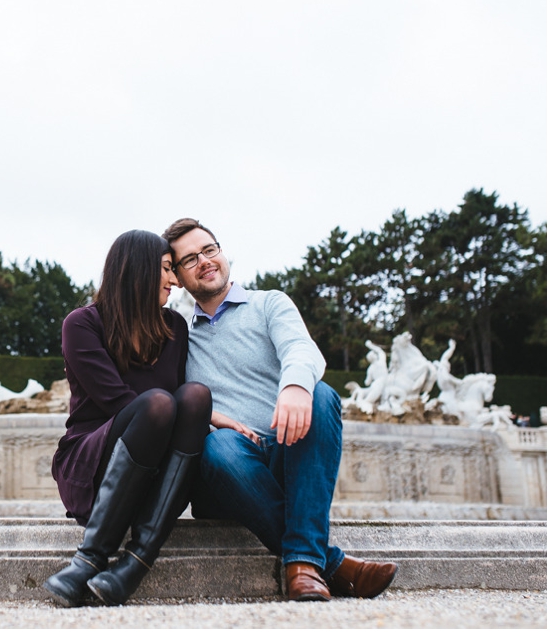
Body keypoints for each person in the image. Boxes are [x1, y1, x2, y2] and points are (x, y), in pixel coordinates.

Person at [161, 218, 398, 602]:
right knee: (219, 446)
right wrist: (210, 419)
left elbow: (300, 350)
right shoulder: (178, 334)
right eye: (189, 260)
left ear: (222, 253)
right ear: (180, 278)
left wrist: (293, 387)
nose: (204, 261)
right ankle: (328, 562)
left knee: (320, 395)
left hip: (290, 452)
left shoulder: (269, 302)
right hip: (229, 470)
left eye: (209, 250)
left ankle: (303, 565)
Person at [43, 230, 212, 607]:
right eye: (167, 269)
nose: (174, 281)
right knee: (158, 405)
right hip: (93, 462)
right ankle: (90, 559)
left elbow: (185, 409)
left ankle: (136, 561)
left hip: (153, 475)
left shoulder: (175, 328)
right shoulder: (83, 323)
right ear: (138, 270)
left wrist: (217, 419)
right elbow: (117, 402)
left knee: (196, 396)